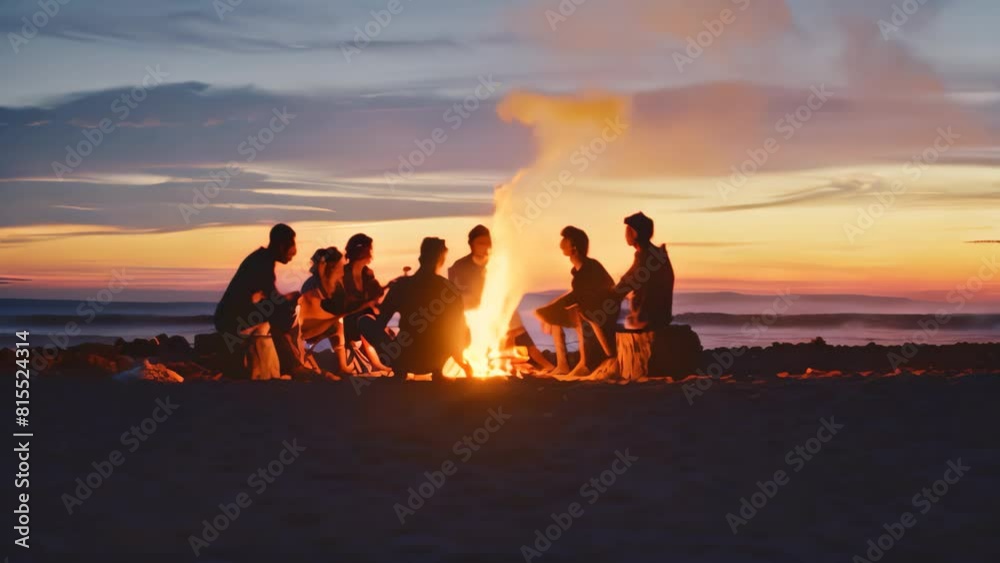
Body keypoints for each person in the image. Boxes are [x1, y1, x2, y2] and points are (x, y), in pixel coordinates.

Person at [214, 224, 323, 379]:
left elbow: (268, 296)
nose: (295, 252)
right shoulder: (262, 263)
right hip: (230, 320)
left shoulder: (262, 259)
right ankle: (293, 366)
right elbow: (271, 297)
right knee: (279, 314)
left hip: (234, 315)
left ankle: (293, 363)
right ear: (281, 246)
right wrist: (290, 300)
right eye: (292, 245)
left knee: (280, 310)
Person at [366, 237, 473, 381]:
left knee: (365, 322)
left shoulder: (401, 285)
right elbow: (459, 331)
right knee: (462, 327)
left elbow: (380, 324)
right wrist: (462, 363)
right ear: (441, 260)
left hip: (404, 358)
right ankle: (438, 371)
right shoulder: (449, 290)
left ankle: (399, 371)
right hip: (436, 359)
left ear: (420, 258)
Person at [535, 226, 619, 377]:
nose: (561, 244)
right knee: (556, 317)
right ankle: (563, 365)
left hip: (598, 317)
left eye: (565, 241)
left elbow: (578, 296)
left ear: (574, 247)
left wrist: (547, 311)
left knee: (580, 312)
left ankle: (585, 363)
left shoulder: (590, 269)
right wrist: (549, 312)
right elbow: (575, 294)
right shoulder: (581, 270)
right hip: (590, 312)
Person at [299, 247, 355, 375]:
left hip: (316, 324)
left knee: (343, 320)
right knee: (338, 322)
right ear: (332, 267)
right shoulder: (314, 285)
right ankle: (342, 366)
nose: (343, 270)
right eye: (340, 266)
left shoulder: (331, 284)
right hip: (308, 328)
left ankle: (345, 362)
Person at [614, 212, 675, 330]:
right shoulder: (656, 254)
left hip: (646, 320)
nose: (625, 234)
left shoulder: (644, 258)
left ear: (634, 233)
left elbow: (624, 285)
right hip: (661, 317)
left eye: (628, 230)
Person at [342, 233, 390, 373]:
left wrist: (387, 287)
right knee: (365, 318)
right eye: (369, 249)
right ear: (362, 251)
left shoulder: (367, 273)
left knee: (371, 317)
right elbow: (346, 303)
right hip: (347, 318)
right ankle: (377, 361)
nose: (371, 253)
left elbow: (376, 297)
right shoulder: (343, 273)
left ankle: (384, 358)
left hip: (363, 316)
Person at [448, 224, 491, 310]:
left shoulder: (498, 265)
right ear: (471, 244)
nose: (485, 247)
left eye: (488, 243)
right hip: (468, 313)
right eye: (481, 243)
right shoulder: (459, 267)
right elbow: (454, 296)